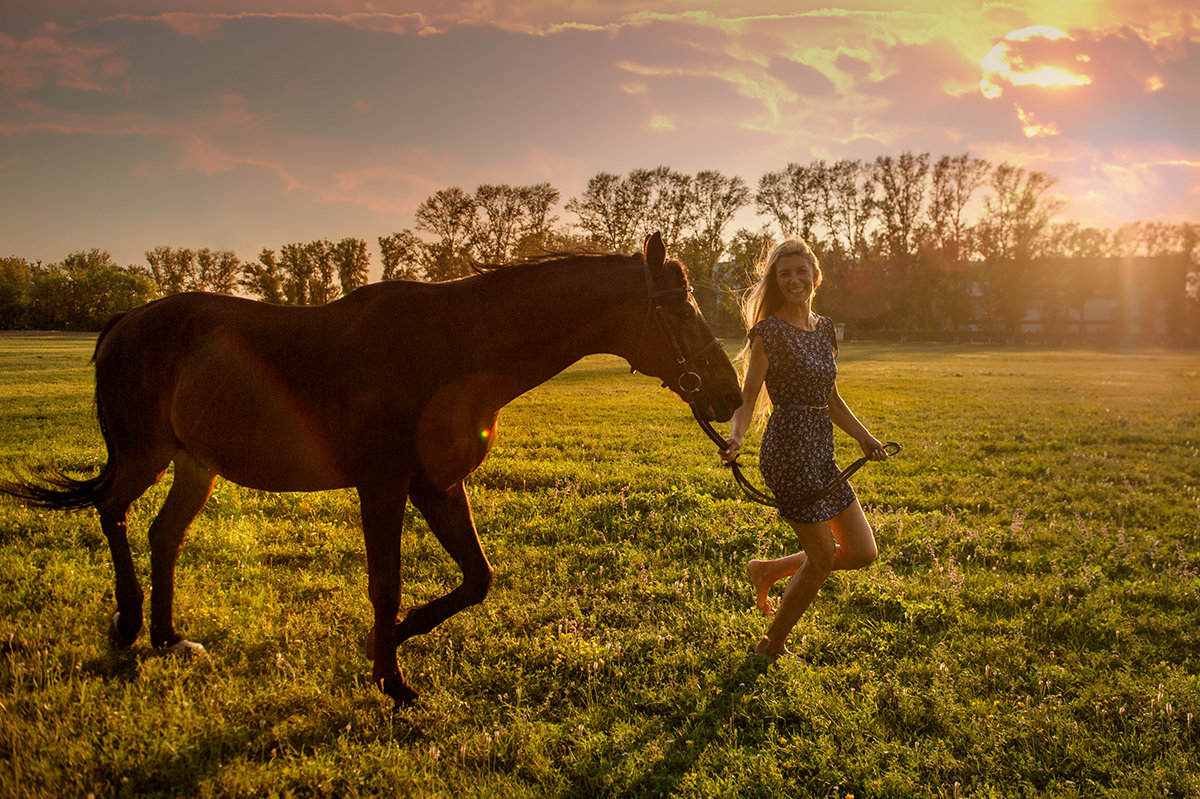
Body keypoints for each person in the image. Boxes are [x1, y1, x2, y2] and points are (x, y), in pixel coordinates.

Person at [721, 239, 889, 661]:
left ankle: (770, 569)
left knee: (862, 551)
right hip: (787, 451)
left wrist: (864, 436)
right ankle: (771, 645)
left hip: (821, 450)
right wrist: (738, 435)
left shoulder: (826, 328)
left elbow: (830, 397)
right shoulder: (769, 332)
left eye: (801, 272)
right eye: (784, 274)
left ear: (816, 276)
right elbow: (748, 394)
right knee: (820, 559)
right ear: (776, 282)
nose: (794, 280)